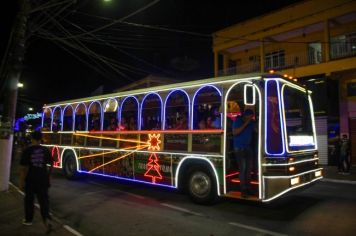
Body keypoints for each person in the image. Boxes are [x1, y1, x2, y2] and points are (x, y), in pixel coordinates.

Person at [19, 131, 53, 231]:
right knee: (44, 201)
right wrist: (49, 176)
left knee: (29, 200)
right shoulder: (45, 150)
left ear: (32, 138)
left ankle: (29, 220)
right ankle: (46, 219)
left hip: (31, 180)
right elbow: (51, 164)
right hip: (43, 179)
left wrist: (21, 182)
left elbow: (23, 168)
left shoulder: (27, 150)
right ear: (40, 139)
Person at [232, 109, 256, 198]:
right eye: (250, 117)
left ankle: (248, 188)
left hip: (248, 148)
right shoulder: (238, 121)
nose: (251, 118)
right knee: (243, 169)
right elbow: (235, 132)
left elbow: (256, 130)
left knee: (249, 169)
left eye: (252, 117)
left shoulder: (251, 123)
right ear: (245, 116)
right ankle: (243, 189)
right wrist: (246, 124)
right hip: (239, 148)